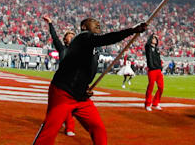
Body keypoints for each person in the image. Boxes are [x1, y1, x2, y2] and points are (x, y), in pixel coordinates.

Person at [32, 17, 146, 145]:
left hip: (80, 97)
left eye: (98, 22)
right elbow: (107, 38)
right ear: (84, 27)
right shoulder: (83, 38)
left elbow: (86, 71)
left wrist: (84, 87)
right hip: (63, 93)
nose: (97, 23)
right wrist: (132, 30)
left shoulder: (94, 48)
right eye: (92, 21)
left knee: (98, 129)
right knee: (50, 130)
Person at [44, 16, 77, 138]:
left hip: (70, 83)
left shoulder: (79, 51)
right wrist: (51, 23)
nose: (69, 37)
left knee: (66, 106)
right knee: (52, 103)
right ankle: (50, 121)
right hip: (59, 81)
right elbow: (54, 36)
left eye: (71, 36)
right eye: (67, 36)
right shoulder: (62, 48)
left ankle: (69, 127)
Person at [144, 33, 164, 111]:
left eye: (156, 39)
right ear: (150, 39)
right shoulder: (148, 47)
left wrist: (160, 68)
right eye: (153, 38)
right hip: (152, 70)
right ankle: (148, 104)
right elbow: (147, 45)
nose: (155, 40)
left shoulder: (156, 49)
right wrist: (152, 35)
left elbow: (159, 59)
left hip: (158, 70)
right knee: (151, 87)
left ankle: (155, 103)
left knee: (161, 87)